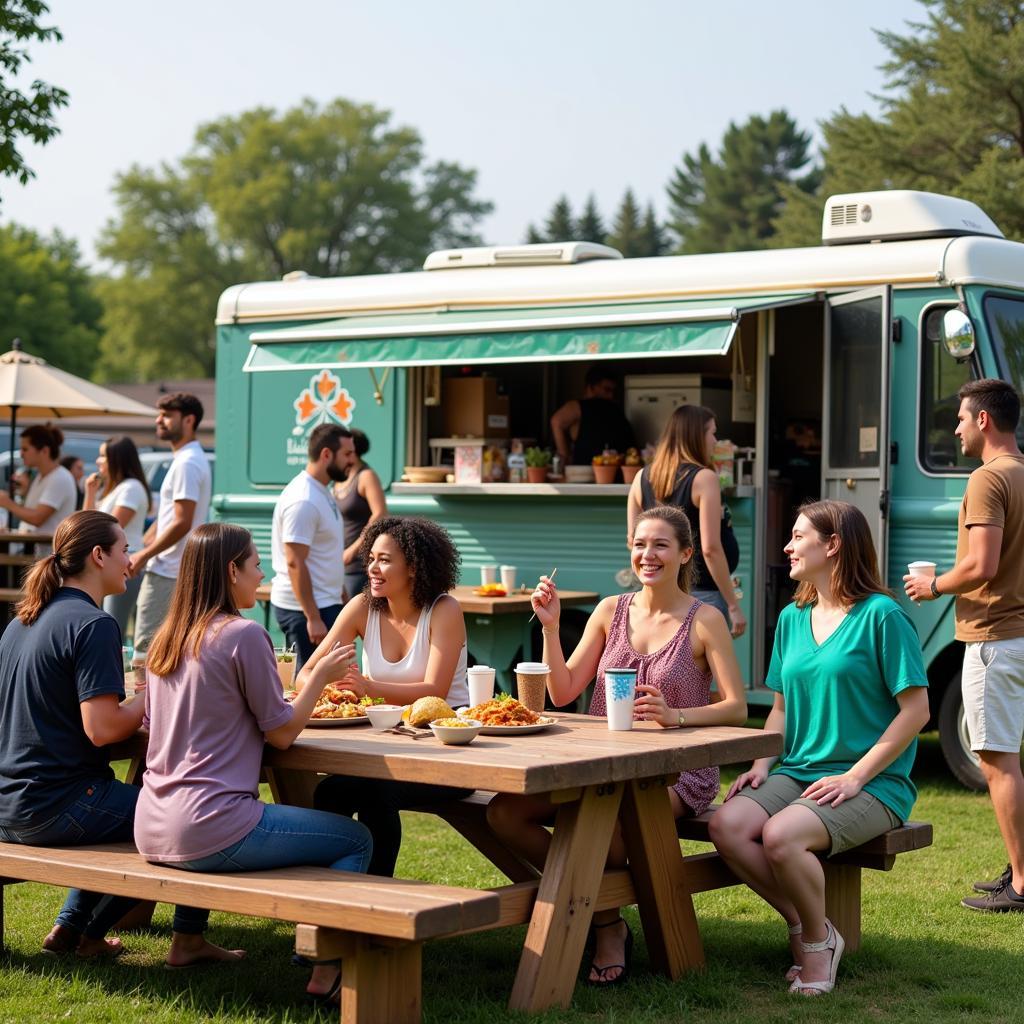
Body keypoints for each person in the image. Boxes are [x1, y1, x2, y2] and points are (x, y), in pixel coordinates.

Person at [487, 505, 748, 986]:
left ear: (686, 553)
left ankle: (602, 926)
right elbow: (562, 692)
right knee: (503, 812)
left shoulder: (703, 619)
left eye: (661, 545)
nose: (647, 554)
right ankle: (602, 910)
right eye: (640, 544)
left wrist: (676, 716)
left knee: (606, 825)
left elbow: (736, 707)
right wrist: (549, 626)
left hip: (674, 772)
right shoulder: (612, 610)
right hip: (599, 766)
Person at [135, 523, 371, 993]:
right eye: (256, 564)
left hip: (152, 822)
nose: (262, 575)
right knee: (357, 840)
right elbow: (283, 733)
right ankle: (325, 965)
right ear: (231, 571)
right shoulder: (243, 635)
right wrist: (319, 677)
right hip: (211, 825)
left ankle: (188, 940)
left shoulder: (166, 638)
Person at [710, 500, 929, 996]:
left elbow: (916, 712)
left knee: (781, 836)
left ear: (832, 545)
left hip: (873, 782)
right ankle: (816, 928)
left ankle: (814, 943)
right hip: (797, 770)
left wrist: (856, 776)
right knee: (727, 824)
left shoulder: (883, 616)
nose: (786, 547)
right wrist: (763, 763)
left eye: (797, 536)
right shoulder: (792, 617)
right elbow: (782, 710)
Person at [0, 511, 151, 957]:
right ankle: (87, 935)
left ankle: (70, 930)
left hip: (8, 804)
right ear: (98, 555)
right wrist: (154, 695)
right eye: (124, 549)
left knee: (145, 794)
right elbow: (102, 729)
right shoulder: (94, 624)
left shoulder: (20, 622)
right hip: (57, 805)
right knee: (177, 821)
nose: (130, 560)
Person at [904, 378, 1024, 913]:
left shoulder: (987, 479)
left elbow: (982, 565)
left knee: (997, 761)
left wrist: (933, 586)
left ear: (984, 421)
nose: (954, 428)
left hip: (995, 637)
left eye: (960, 417)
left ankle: (1022, 884)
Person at [309, 516, 470, 877]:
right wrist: (328, 681)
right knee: (329, 793)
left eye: (385, 560)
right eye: (371, 558)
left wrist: (368, 688)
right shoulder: (362, 607)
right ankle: (329, 892)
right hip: (385, 746)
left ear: (413, 567)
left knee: (376, 795)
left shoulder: (444, 610)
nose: (372, 568)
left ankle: (375, 900)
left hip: (451, 750)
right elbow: (307, 672)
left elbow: (435, 692)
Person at [627, 404, 746, 637]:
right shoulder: (705, 478)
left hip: (659, 594)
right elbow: (710, 549)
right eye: (712, 432)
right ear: (696, 436)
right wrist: (733, 605)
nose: (715, 440)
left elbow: (633, 540)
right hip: (702, 593)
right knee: (700, 671)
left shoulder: (641, 476)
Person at [129, 393, 212, 660]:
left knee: (145, 652)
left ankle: (150, 704)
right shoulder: (187, 459)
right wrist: (146, 539)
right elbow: (171, 517)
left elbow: (182, 521)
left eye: (167, 415)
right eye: (159, 414)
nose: (159, 420)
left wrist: (143, 555)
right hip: (174, 568)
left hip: (168, 570)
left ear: (189, 420)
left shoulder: (187, 462)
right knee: (169, 651)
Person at [271, 423, 355, 672]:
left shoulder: (321, 491)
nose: (352, 461)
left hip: (324, 603)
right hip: (306, 611)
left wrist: (339, 592)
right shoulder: (303, 499)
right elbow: (295, 561)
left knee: (333, 685)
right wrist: (312, 617)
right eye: (347, 454)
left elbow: (322, 552)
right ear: (326, 454)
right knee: (309, 688)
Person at [83, 436, 151, 643]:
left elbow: (107, 528)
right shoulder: (117, 488)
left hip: (124, 566)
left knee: (113, 627)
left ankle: (116, 672)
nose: (98, 461)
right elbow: (85, 524)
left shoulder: (131, 487)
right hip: (109, 565)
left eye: (103, 456)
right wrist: (90, 493)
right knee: (107, 626)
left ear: (117, 459)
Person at [0, 425, 78, 543]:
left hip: (45, 554)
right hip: (32, 550)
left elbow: (37, 518)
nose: (21, 454)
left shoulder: (60, 478)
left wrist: (8, 503)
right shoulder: (42, 476)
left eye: (25, 449)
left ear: (44, 451)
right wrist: (24, 493)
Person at [334, 428, 387, 601]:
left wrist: (354, 549)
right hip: (339, 565)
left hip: (358, 565)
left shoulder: (366, 476)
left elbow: (380, 514)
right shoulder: (339, 478)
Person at [550, 364, 636, 466]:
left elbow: (556, 421)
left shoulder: (615, 411)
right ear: (591, 388)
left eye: (613, 391)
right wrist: (564, 455)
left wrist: (564, 455)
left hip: (603, 471)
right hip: (592, 472)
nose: (611, 395)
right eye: (606, 390)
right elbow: (557, 421)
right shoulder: (580, 407)